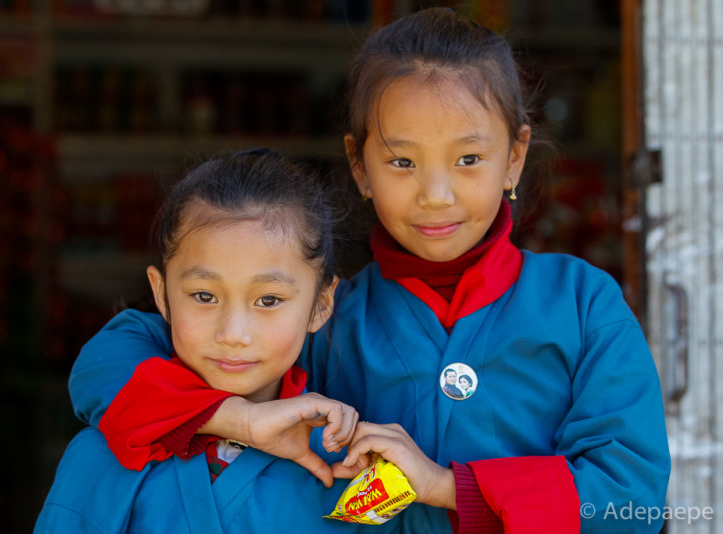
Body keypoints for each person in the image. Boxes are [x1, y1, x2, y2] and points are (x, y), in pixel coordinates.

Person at [68, 8, 671, 533]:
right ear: (360, 165)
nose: (435, 194)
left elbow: (633, 503)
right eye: (401, 160)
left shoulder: (582, 305)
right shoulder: (321, 319)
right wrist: (241, 419)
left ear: (514, 157)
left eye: (469, 158)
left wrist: (443, 486)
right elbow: (107, 366)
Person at [35, 149, 389, 533]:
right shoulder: (101, 459)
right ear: (162, 293)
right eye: (204, 296)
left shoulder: (350, 475)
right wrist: (242, 421)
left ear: (321, 305)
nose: (234, 334)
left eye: (268, 300)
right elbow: (100, 371)